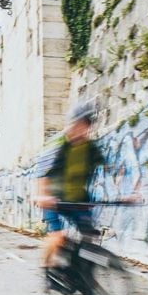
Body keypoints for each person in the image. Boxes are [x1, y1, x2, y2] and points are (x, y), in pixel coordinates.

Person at [35, 101, 105, 269]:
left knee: (90, 237)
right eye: (78, 124)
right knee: (58, 237)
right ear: (71, 123)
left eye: (86, 125)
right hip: (53, 199)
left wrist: (130, 192)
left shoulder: (90, 147)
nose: (82, 129)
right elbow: (42, 173)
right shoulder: (57, 144)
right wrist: (42, 195)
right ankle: (47, 267)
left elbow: (112, 169)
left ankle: (82, 274)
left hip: (77, 199)